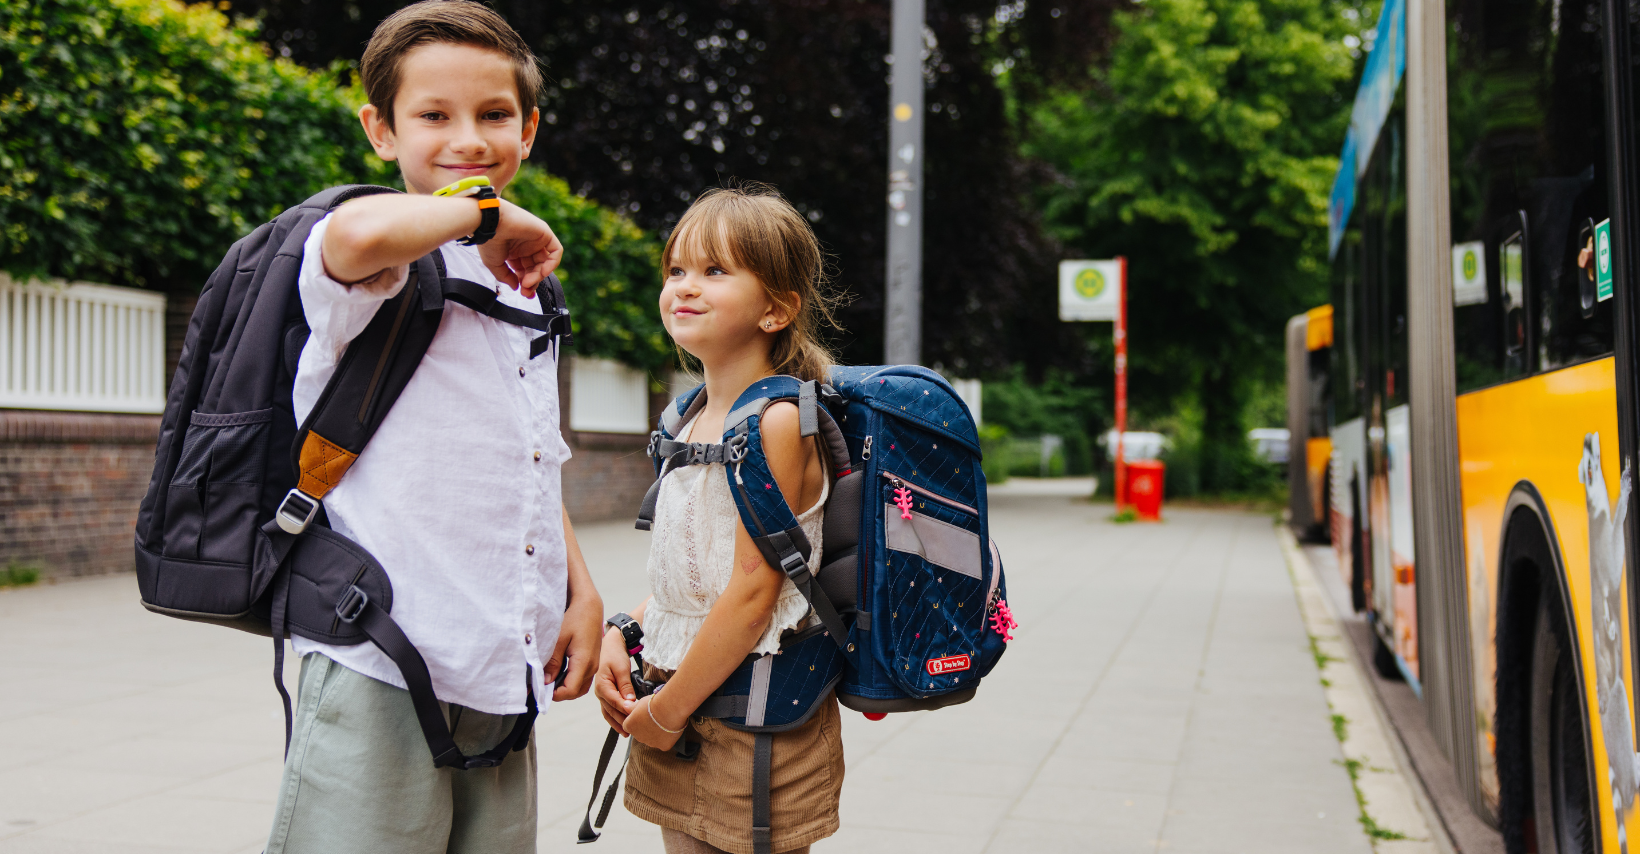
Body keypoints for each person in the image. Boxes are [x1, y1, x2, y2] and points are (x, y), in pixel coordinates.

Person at [262, 3, 604, 852]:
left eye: (493, 115)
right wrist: (486, 215)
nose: (469, 138)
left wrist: (580, 590)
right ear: (381, 130)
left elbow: (529, 459)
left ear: (528, 128)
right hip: (382, 652)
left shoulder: (529, 289)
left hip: (499, 658)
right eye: (433, 115)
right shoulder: (375, 255)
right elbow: (358, 230)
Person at [595, 185, 845, 854]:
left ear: (776, 310)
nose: (685, 286)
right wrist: (627, 627)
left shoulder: (779, 422)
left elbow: (753, 591)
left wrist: (664, 714)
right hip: (679, 698)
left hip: (755, 713)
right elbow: (697, 571)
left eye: (715, 271)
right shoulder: (687, 416)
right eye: (676, 269)